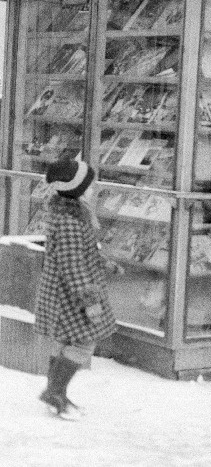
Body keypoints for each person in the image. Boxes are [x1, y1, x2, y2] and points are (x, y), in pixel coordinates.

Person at [34, 159, 117, 420]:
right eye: (89, 185)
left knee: (63, 343)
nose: (93, 189)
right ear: (76, 188)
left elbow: (83, 253)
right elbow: (72, 267)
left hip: (63, 292)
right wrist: (89, 302)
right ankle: (55, 392)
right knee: (82, 343)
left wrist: (105, 264)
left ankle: (56, 392)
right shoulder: (70, 221)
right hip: (70, 295)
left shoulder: (72, 213)